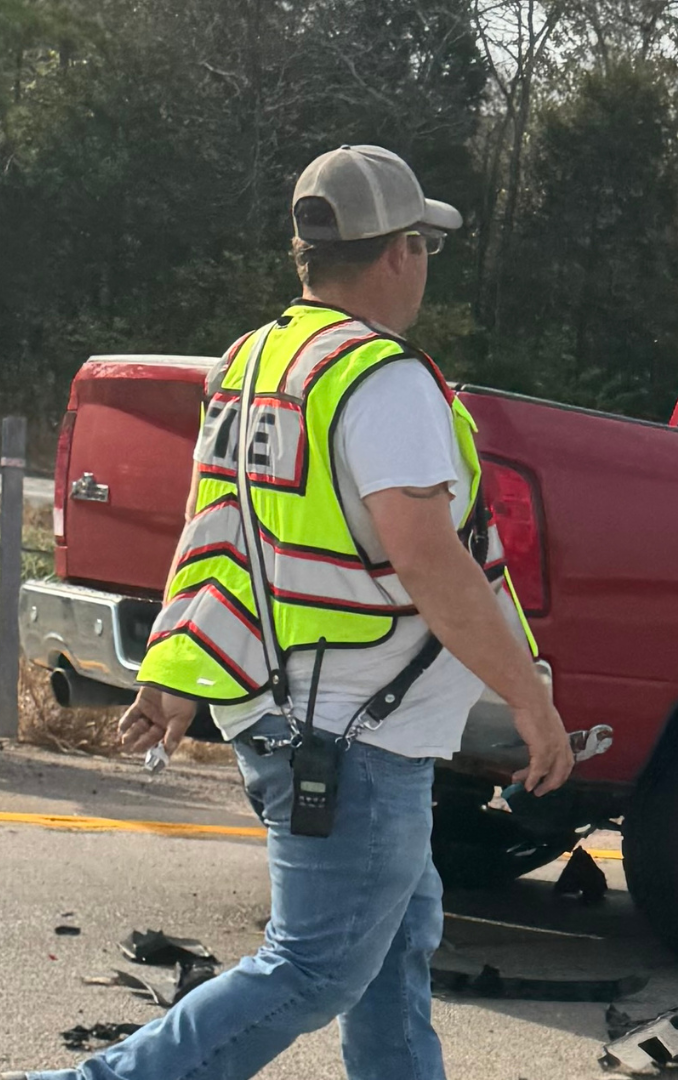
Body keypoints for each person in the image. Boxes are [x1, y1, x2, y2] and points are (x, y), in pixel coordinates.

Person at [11, 145, 575, 1080]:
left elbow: (219, 538)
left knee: (395, 942)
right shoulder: (383, 379)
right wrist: (530, 698)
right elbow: (430, 559)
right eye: (424, 244)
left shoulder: (255, 361)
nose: (426, 264)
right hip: (357, 736)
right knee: (315, 968)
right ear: (398, 251)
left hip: (291, 717)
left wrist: (175, 672)